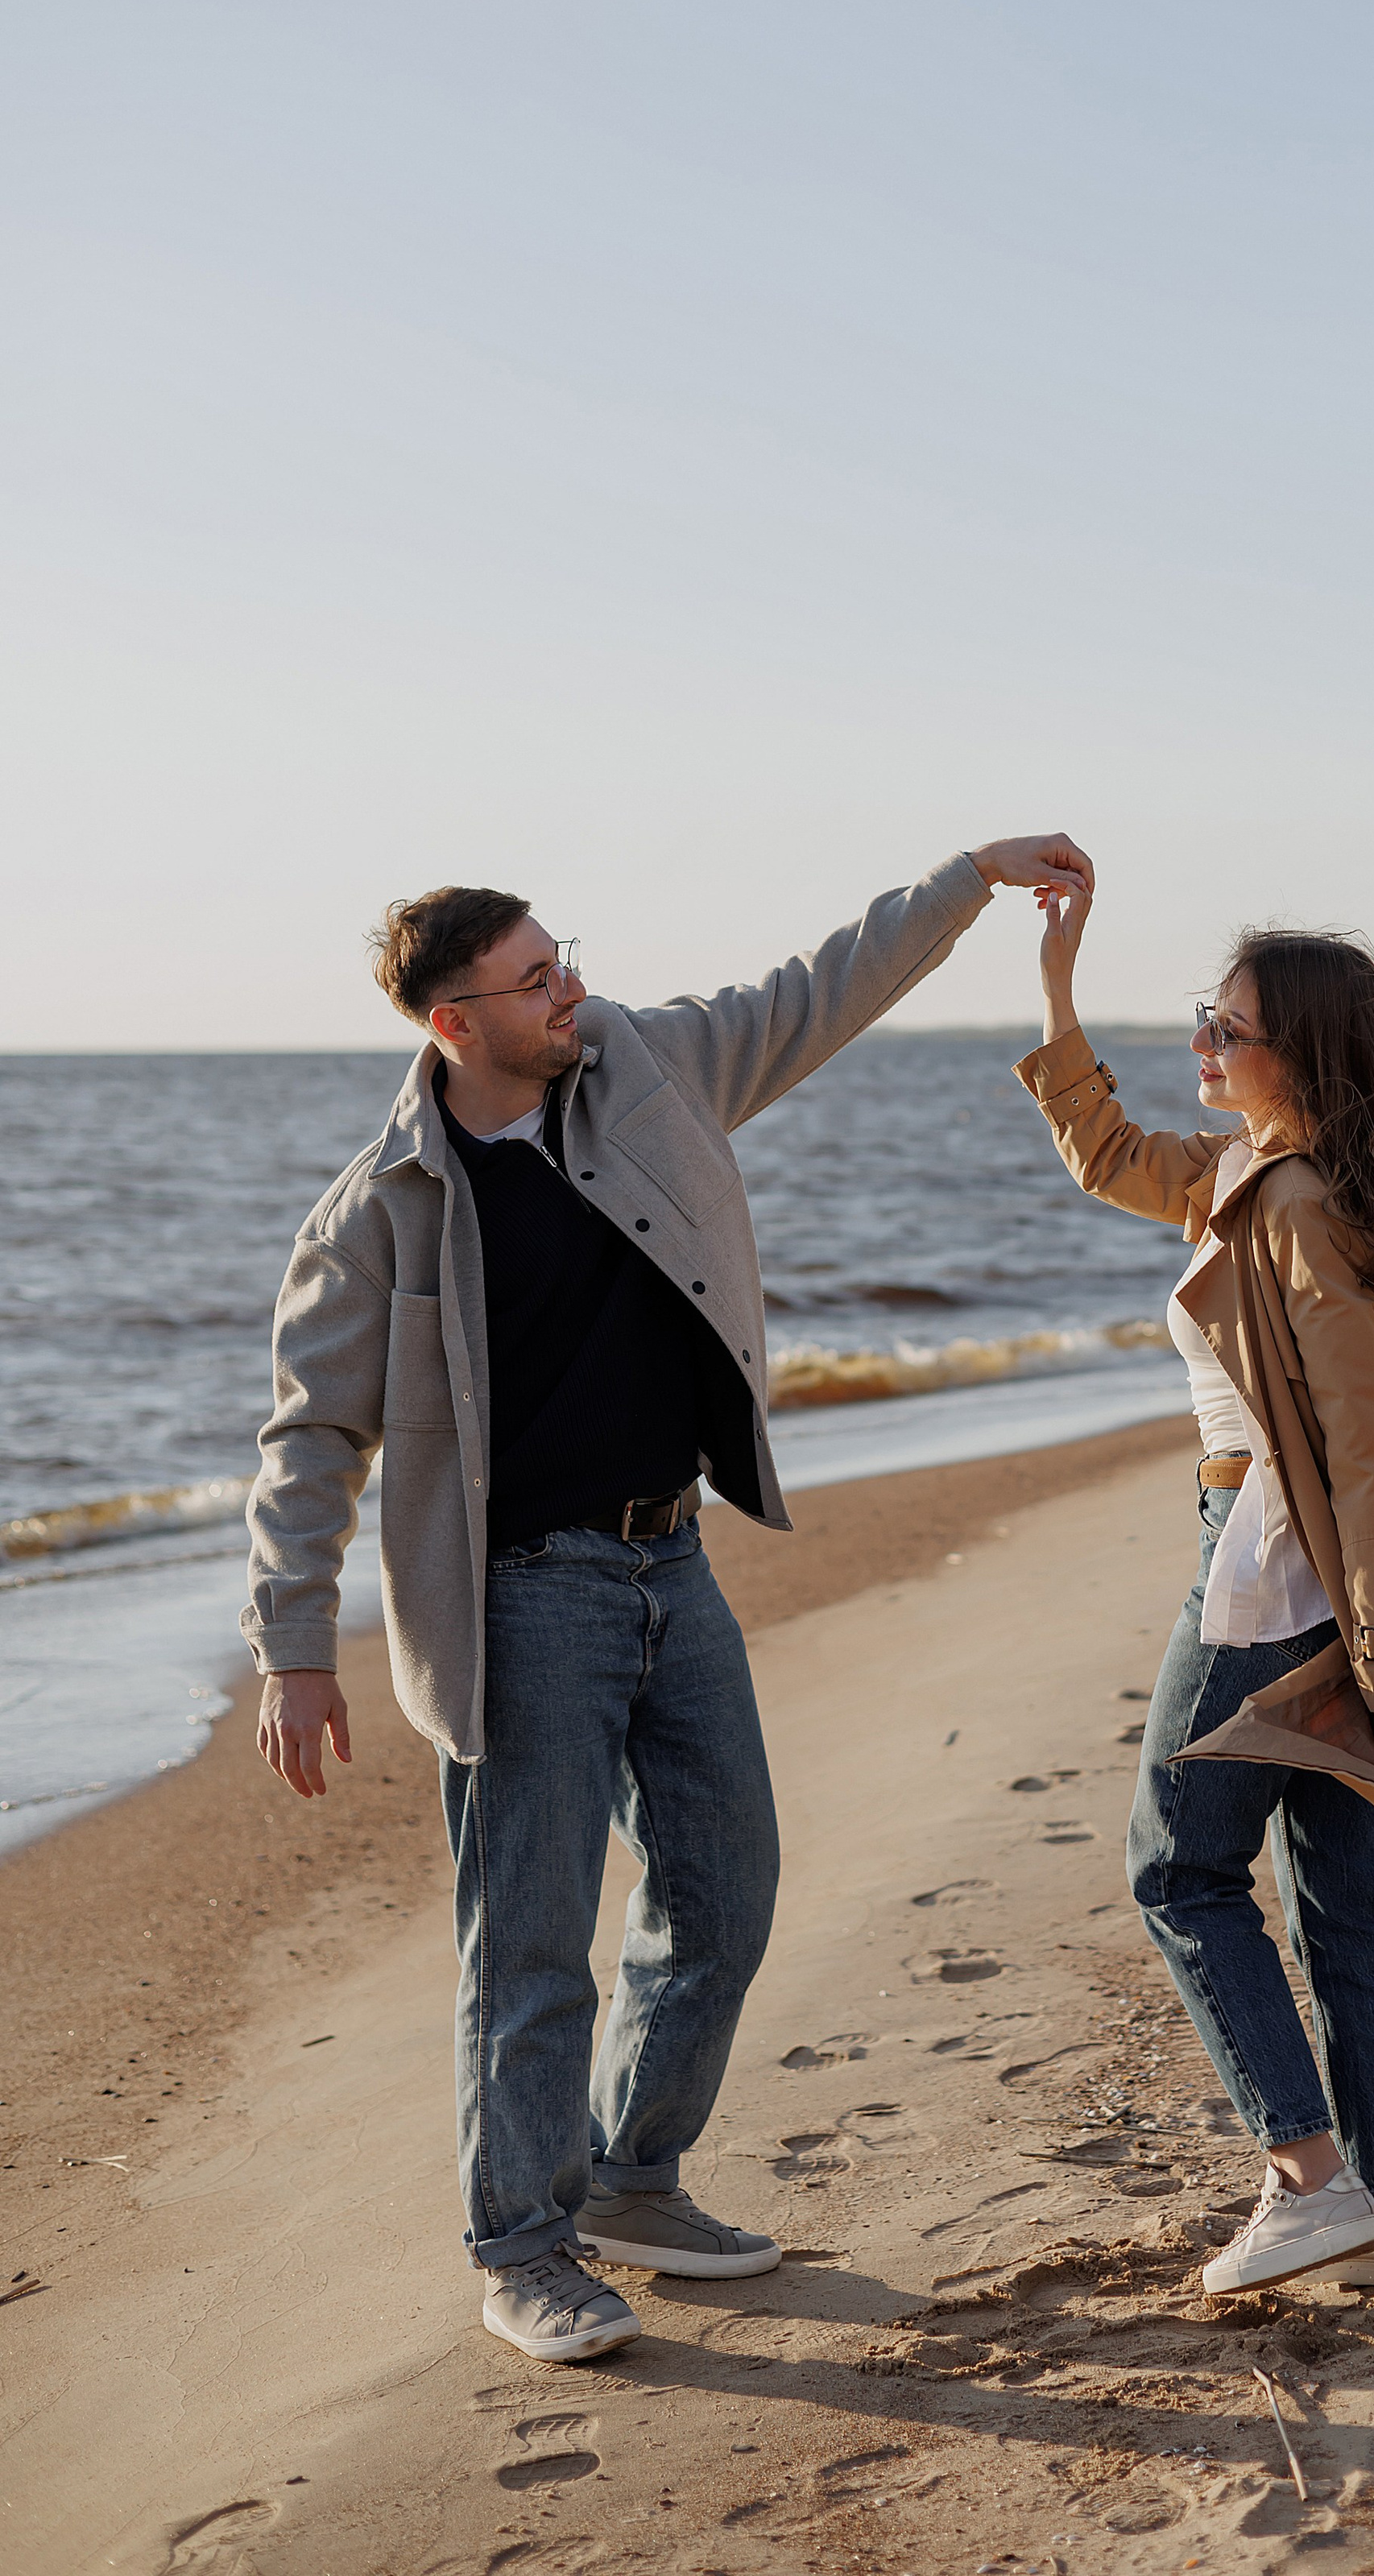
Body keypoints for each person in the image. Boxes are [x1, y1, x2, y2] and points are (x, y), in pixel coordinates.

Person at [242, 833, 1091, 2364]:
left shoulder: (648, 1068)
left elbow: (820, 990)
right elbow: (311, 1440)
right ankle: (521, 2248)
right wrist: (295, 1650)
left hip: (672, 1561)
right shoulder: (379, 1210)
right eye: (534, 978)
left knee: (725, 1889)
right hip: (521, 1601)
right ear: (455, 1022)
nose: (572, 987)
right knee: (533, 1944)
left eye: (563, 957)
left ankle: (635, 2181)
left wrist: (968, 880)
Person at [1017, 897, 1374, 2297]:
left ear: (1303, 1055)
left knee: (1178, 1867)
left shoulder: (1290, 1208)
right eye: (1202, 1020)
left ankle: (1308, 2179)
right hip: (1303, 1558)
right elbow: (1105, 1153)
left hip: (1273, 1559)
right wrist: (1055, 978)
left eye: (1230, 1028)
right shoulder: (1254, 1172)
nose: (1202, 1042)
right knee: (1341, 1891)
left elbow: (1371, 1438)